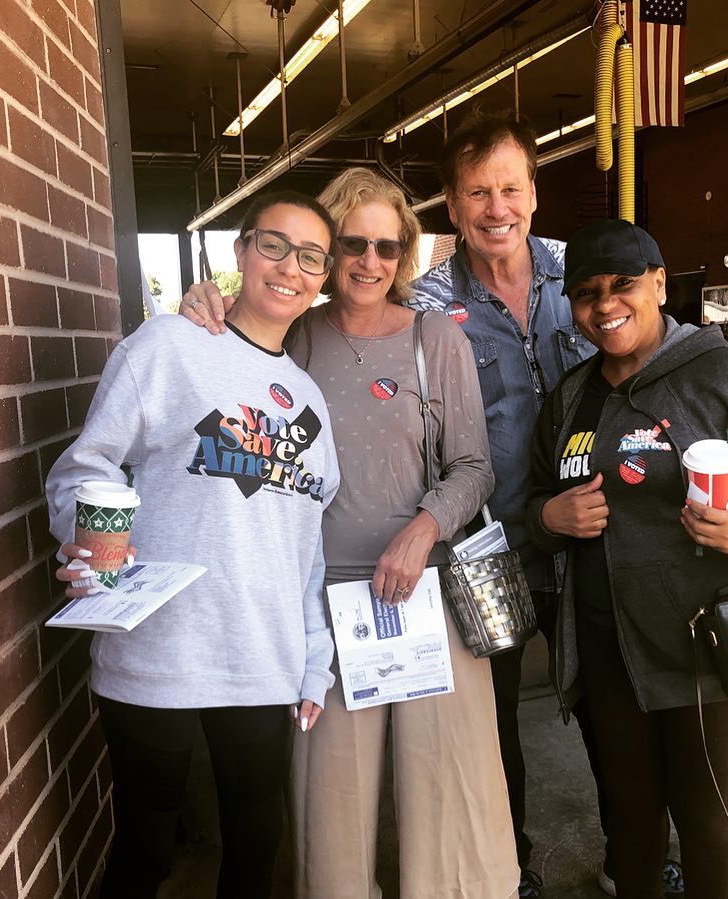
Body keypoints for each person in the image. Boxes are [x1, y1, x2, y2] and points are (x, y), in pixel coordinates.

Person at [189, 167, 519, 898]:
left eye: (387, 246)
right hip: (323, 608)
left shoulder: (436, 339)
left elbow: (473, 466)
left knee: (449, 795)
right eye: (353, 243)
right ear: (328, 250)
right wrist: (201, 306)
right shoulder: (295, 337)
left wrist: (422, 529)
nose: (370, 261)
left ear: (404, 254)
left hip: (427, 594)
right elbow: (223, 367)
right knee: (330, 804)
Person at [45, 192, 342, 898]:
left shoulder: (308, 398)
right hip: (157, 648)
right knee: (147, 849)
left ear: (323, 277)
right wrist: (88, 545)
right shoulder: (167, 347)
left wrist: (314, 659)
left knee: (256, 844)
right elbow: (85, 469)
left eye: (310, 257)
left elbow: (307, 549)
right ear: (240, 250)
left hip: (261, 658)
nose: (290, 268)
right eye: (273, 245)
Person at [527, 219, 728, 899]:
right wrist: (548, 518)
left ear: (658, 284)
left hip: (709, 646)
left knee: (706, 820)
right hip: (606, 645)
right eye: (586, 293)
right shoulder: (572, 396)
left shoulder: (721, 374)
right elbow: (536, 495)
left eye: (622, 284)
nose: (604, 305)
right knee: (630, 818)